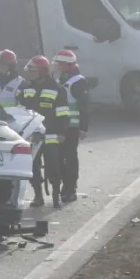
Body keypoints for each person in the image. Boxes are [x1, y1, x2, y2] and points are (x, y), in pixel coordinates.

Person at [17, 55, 68, 207]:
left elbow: (63, 113)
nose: (30, 72)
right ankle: (38, 195)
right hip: (32, 135)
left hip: (51, 134)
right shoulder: (24, 87)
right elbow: (20, 110)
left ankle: (55, 196)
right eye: (29, 69)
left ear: (43, 71)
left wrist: (62, 133)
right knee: (33, 167)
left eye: (33, 70)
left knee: (54, 165)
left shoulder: (56, 88)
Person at [54, 49, 89, 203]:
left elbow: (84, 106)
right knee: (58, 159)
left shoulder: (79, 82)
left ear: (67, 64)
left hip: (72, 127)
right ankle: (65, 186)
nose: (57, 66)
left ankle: (70, 188)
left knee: (70, 158)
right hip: (59, 127)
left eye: (60, 64)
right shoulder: (60, 79)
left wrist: (84, 127)